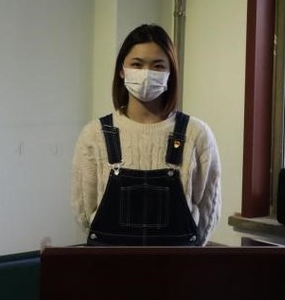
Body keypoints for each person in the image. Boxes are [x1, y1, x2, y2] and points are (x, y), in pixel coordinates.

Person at [71, 24, 221, 246]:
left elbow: (208, 210)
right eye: (137, 64)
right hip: (110, 262)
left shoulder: (196, 134)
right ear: (122, 70)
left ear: (171, 73)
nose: (146, 73)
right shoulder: (95, 135)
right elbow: (84, 211)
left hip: (178, 263)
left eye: (158, 66)